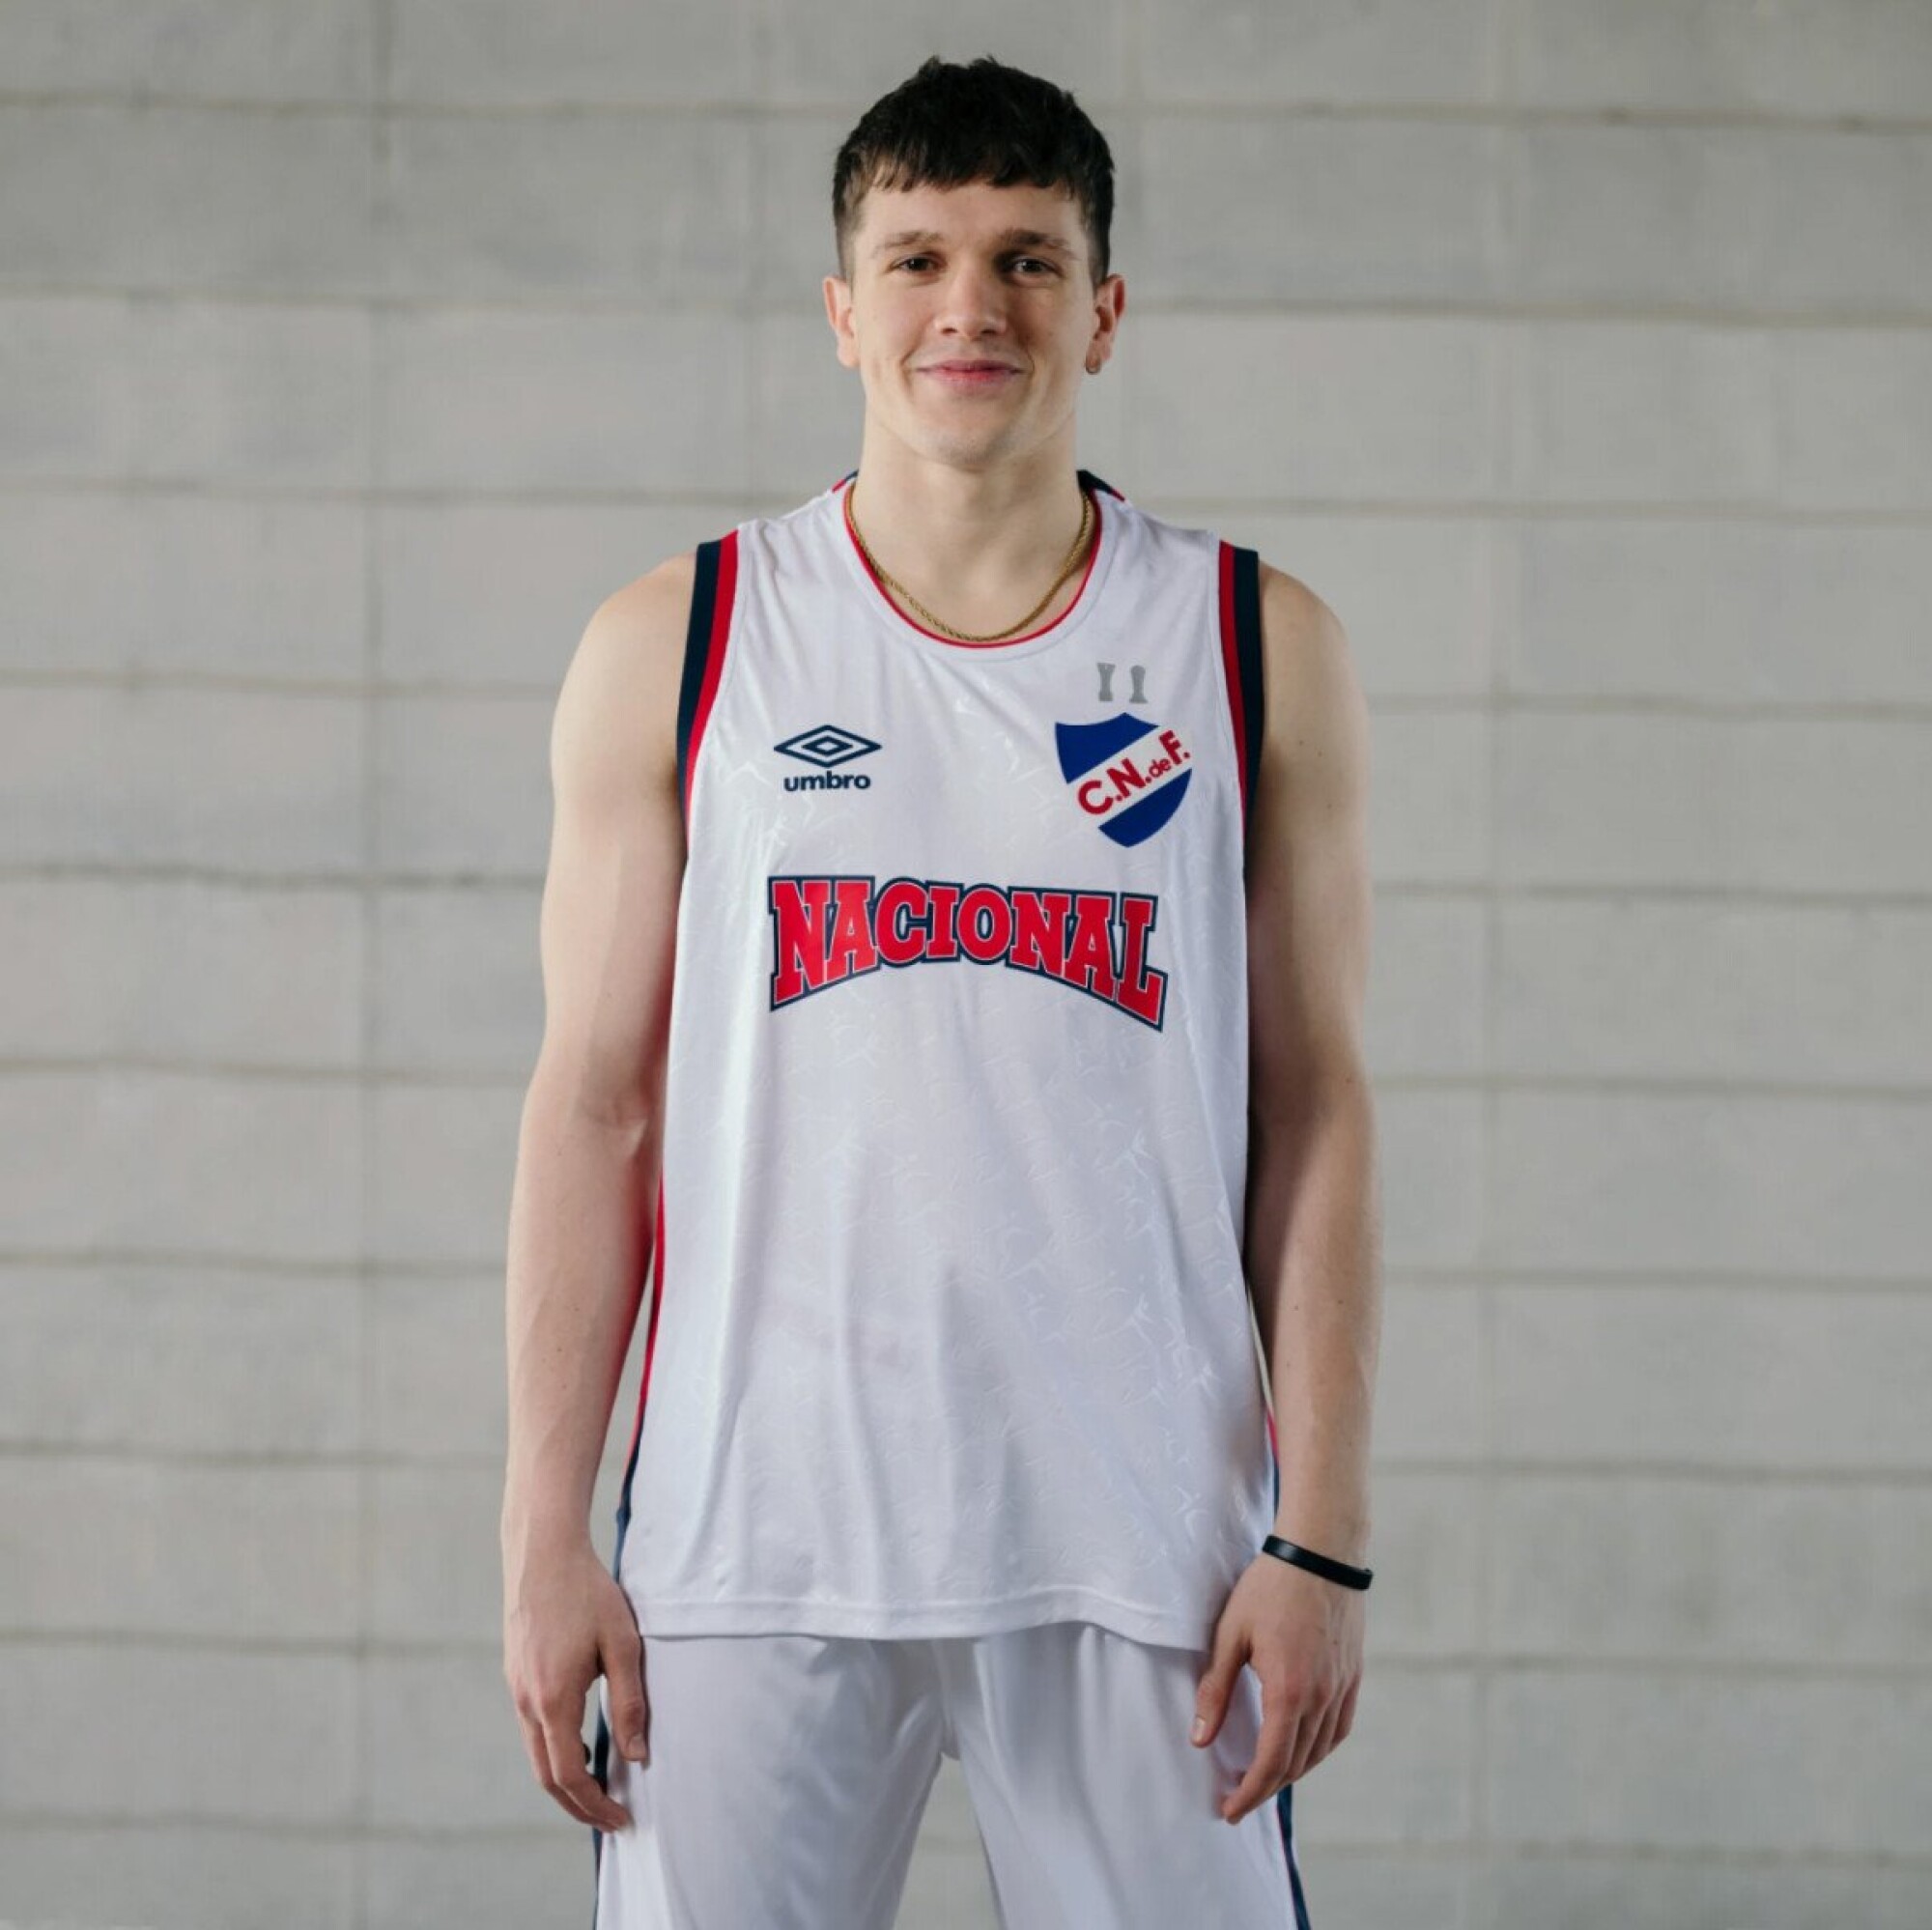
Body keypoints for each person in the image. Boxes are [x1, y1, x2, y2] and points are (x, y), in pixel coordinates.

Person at [500, 53, 1380, 1930]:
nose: (968, 306)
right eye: (916, 259)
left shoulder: (1249, 645)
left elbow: (1315, 1111)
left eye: (1025, 260)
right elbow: (594, 1102)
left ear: (1104, 309)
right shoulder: (684, 641)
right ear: (843, 308)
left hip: (1145, 1539)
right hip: (750, 1537)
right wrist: (540, 1523)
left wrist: (1323, 1539)